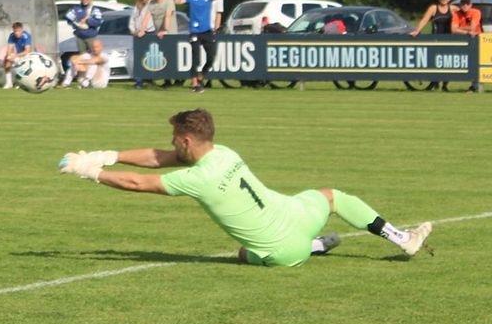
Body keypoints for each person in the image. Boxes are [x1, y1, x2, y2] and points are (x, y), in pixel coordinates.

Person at [58, 108, 433, 267]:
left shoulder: (196, 178)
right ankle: (401, 238)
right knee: (333, 196)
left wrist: (90, 172)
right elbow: (159, 157)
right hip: (296, 214)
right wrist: (108, 153)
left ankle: (313, 247)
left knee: (243, 252)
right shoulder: (221, 152)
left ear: (187, 140)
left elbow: (140, 181)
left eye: (175, 137)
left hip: (285, 252)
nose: (171, 143)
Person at [175, 0, 223, 93]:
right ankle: (195, 84)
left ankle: (202, 74)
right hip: (195, 31)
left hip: (207, 31)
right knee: (195, 58)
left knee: (211, 57)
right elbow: (177, 1)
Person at [451, 0, 482, 93]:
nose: (465, 6)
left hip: (477, 41)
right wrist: (465, 32)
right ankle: (475, 86)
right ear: (460, 5)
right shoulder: (456, 14)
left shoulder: (476, 12)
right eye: (463, 4)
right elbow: (452, 30)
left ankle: (475, 86)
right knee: (469, 64)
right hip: (464, 41)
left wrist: (459, 28)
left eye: (467, 4)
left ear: (470, 5)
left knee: (478, 63)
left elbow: (473, 27)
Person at [129, 0, 155, 89]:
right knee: (138, 58)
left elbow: (150, 20)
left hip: (148, 33)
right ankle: (138, 81)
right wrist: (133, 30)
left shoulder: (152, 4)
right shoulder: (137, 5)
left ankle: (149, 79)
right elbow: (133, 19)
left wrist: (143, 30)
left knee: (149, 58)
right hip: (137, 34)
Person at [2, 22, 33, 89]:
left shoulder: (26, 36)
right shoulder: (12, 36)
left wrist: (15, 55)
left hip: (27, 56)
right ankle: (9, 83)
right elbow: (9, 48)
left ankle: (21, 83)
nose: (16, 33)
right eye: (15, 31)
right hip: (19, 56)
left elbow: (27, 51)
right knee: (7, 60)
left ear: (22, 30)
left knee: (21, 65)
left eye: (18, 31)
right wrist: (9, 56)